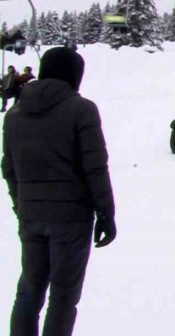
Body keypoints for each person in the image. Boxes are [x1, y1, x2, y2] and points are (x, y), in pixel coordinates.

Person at [2, 47, 116, 336]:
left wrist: (22, 204)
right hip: (71, 218)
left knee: (29, 291)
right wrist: (106, 213)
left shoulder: (14, 114)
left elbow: (9, 168)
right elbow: (95, 168)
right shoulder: (81, 109)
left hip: (31, 216)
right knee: (63, 297)